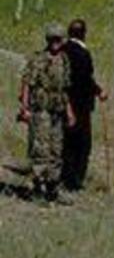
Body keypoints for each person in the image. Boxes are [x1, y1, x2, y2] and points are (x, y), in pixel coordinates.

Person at [18, 23, 74, 204]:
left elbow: (65, 89)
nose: (55, 43)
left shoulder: (64, 60)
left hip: (57, 111)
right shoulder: (38, 59)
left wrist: (69, 112)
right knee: (40, 150)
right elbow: (27, 84)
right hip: (40, 111)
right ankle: (37, 189)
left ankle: (53, 189)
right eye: (52, 39)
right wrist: (24, 108)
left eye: (58, 39)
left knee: (56, 151)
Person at [61, 19, 107, 191]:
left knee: (66, 142)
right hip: (80, 105)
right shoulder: (82, 53)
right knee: (82, 144)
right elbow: (84, 79)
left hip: (63, 103)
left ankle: (65, 176)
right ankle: (74, 181)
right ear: (84, 33)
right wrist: (98, 91)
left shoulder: (62, 49)